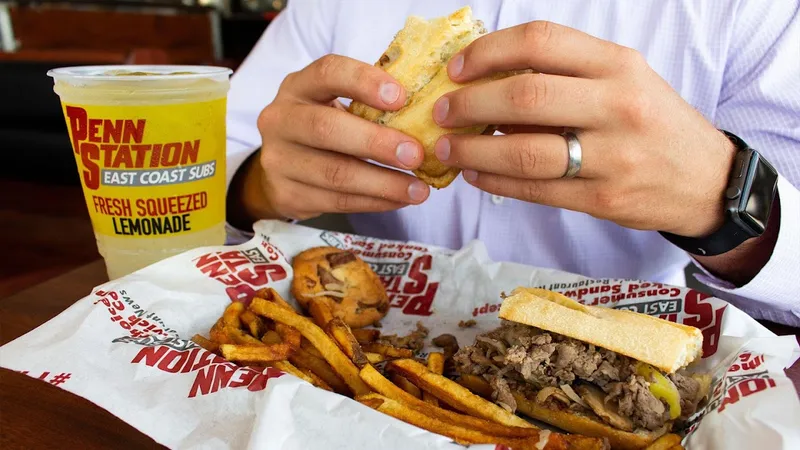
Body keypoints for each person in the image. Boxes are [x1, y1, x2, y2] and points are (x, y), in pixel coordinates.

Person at [224, 0, 800, 326]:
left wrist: (724, 196)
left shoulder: (754, 12)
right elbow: (217, 164)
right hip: (379, 355)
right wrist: (259, 185)